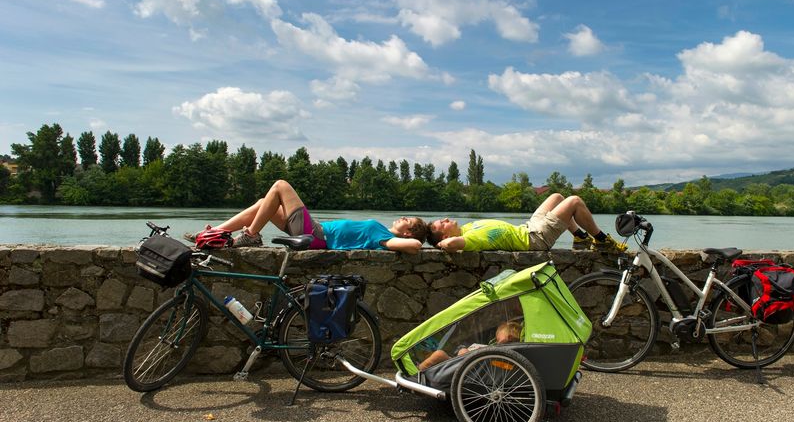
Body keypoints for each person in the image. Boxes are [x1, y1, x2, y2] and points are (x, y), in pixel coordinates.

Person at [185, 179, 427, 253]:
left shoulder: (384, 238)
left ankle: (250, 234)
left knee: (280, 185)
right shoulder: (382, 233)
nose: (403, 217)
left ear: (408, 231)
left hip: (315, 235)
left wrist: (413, 240)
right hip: (314, 231)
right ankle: (215, 233)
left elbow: (415, 246)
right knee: (262, 204)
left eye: (409, 221)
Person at [427, 193, 627, 253]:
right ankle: (601, 240)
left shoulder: (467, 228)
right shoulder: (468, 239)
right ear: (445, 236)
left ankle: (580, 238)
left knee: (557, 197)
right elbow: (453, 245)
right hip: (535, 239)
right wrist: (442, 245)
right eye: (440, 224)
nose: (445, 219)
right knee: (573, 202)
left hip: (528, 227)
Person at [417, 320, 522, 371]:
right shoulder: (507, 349)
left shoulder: (509, 349)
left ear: (509, 337)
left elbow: (502, 364)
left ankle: (417, 371)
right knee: (440, 354)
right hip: (470, 365)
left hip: (473, 369)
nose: (498, 341)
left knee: (439, 354)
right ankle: (421, 368)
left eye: (499, 339)